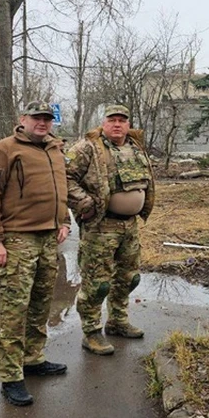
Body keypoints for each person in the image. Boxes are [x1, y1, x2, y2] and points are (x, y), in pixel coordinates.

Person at [0, 101, 71, 406]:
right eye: (36, 118)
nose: (42, 123)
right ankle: (11, 377)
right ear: (23, 119)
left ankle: (33, 359)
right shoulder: (4, 149)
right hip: (17, 240)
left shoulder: (55, 149)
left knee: (42, 303)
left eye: (47, 118)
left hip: (48, 238)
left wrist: (64, 221)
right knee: (14, 310)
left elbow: (61, 190)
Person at [66, 104, 155, 356]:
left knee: (128, 278)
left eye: (122, 120)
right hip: (101, 226)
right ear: (103, 123)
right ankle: (91, 332)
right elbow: (63, 176)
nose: (117, 124)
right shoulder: (87, 147)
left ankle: (117, 320)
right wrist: (84, 202)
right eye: (112, 120)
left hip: (130, 225)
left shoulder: (135, 147)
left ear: (128, 124)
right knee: (98, 283)